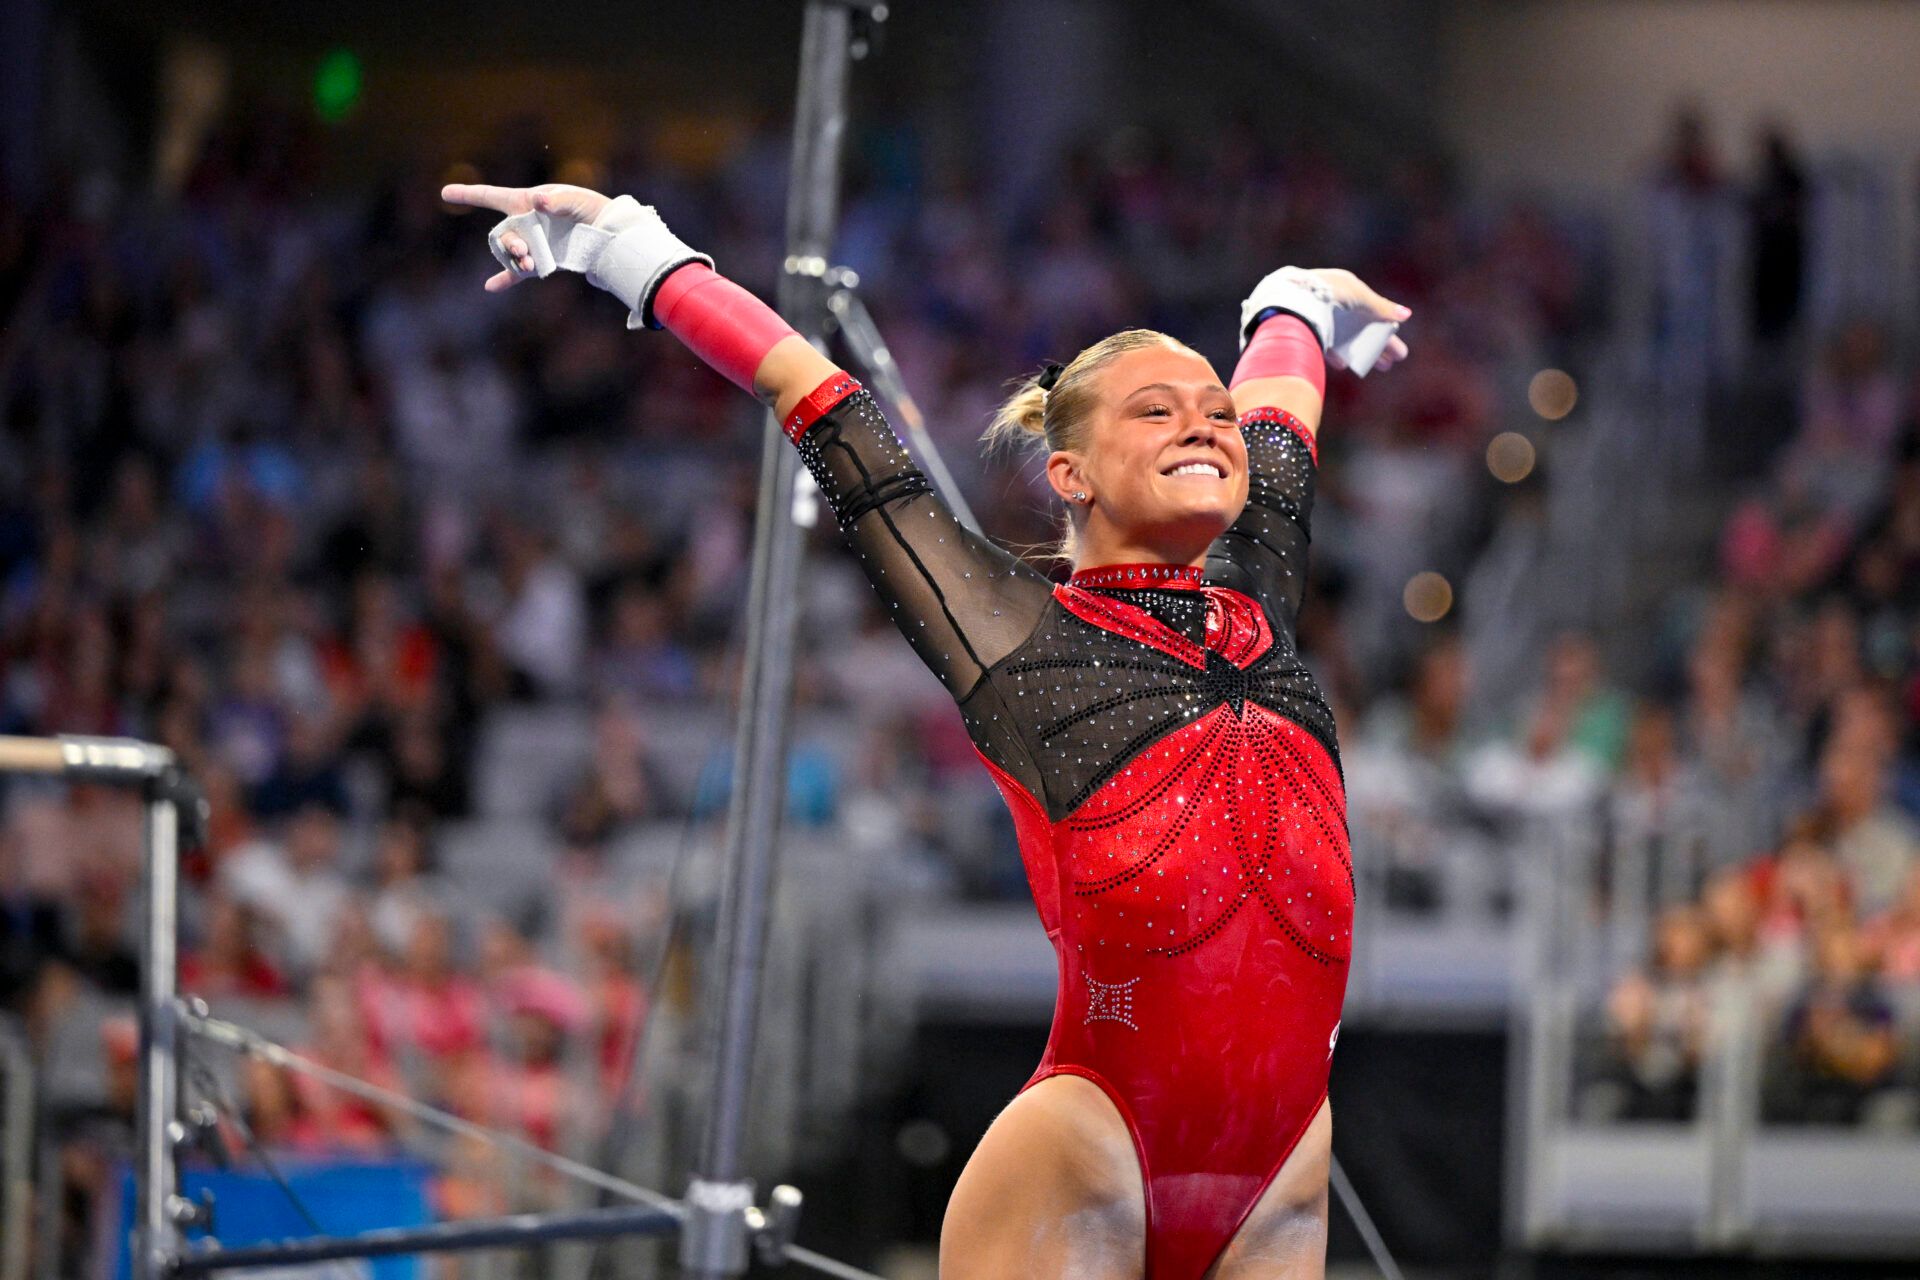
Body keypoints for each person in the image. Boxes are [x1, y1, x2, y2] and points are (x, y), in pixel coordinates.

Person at [442, 180, 1409, 1280]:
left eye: (1214, 410)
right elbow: (833, 416)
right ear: (1069, 474)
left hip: (1278, 1170)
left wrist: (1298, 309)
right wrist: (622, 246)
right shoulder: (1018, 639)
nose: (1205, 422)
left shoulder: (1263, 594)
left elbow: (1283, 409)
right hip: (1090, 1154)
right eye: (1156, 409)